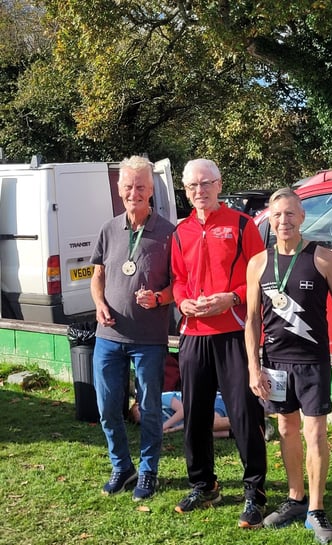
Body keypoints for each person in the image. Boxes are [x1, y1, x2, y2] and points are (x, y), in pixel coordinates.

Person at [245, 187, 332, 544]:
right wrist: (254, 367)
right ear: (270, 218)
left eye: (290, 214)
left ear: (302, 217)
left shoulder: (322, 257)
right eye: (277, 215)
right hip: (276, 363)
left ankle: (316, 508)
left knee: (315, 433)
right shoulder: (258, 263)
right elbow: (251, 320)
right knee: (286, 430)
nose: (284, 221)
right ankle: (295, 498)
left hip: (312, 362)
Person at [170, 158, 268, 529]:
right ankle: (203, 484)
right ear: (186, 190)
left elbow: (259, 278)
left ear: (219, 184)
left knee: (244, 414)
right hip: (194, 334)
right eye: (192, 186)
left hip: (234, 332)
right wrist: (182, 302)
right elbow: (178, 279)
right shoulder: (180, 232)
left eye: (205, 184)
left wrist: (233, 298)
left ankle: (254, 493)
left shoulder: (242, 226)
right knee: (195, 416)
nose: (199, 192)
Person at [90, 155, 175, 500]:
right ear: (119, 188)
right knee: (108, 406)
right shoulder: (109, 229)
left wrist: (157, 298)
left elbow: (179, 286)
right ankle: (121, 466)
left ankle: (148, 471)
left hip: (149, 341)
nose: (134, 192)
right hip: (108, 337)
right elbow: (98, 276)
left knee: (150, 409)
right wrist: (98, 304)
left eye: (141, 186)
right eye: (128, 186)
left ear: (151, 190)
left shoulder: (169, 233)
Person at [130, 391, 232, 438]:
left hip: (212, 402)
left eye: (140, 411)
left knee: (210, 423)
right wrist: (172, 430)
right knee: (199, 433)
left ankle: (242, 423)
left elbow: (183, 410)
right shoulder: (162, 419)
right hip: (200, 416)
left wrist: (164, 427)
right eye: (141, 420)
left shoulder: (160, 398)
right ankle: (234, 433)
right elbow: (189, 424)